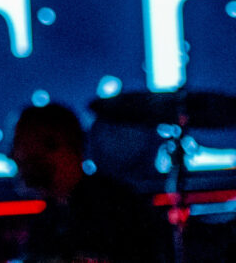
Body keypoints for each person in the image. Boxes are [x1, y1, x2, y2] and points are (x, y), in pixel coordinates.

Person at [10, 103, 170, 263]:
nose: (14, 155)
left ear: (55, 143)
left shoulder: (117, 211)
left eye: (21, 144)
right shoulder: (45, 223)